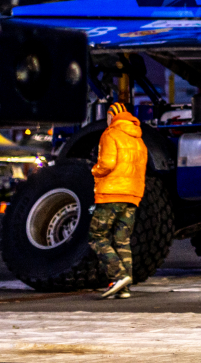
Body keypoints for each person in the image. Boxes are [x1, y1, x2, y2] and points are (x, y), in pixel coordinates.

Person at [89, 101, 148, 299]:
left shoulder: (110, 134)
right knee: (122, 240)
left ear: (112, 116)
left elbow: (107, 163)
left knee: (97, 235)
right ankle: (124, 289)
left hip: (111, 194)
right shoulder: (139, 140)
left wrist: (94, 171)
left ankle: (118, 275)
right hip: (132, 195)